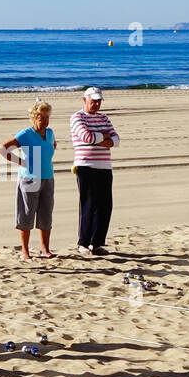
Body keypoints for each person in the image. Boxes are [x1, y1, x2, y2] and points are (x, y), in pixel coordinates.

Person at [0, 100, 56, 261]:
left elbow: (53, 146)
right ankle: (25, 252)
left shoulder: (50, 132)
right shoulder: (26, 134)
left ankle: (45, 249)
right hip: (29, 179)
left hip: (47, 177)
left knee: (46, 214)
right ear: (34, 118)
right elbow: (2, 149)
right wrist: (21, 162)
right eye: (41, 118)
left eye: (47, 117)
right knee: (26, 214)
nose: (45, 121)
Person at [70, 87, 120, 255]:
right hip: (86, 166)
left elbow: (116, 139)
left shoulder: (104, 118)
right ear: (85, 100)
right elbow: (87, 137)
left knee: (105, 206)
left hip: (104, 166)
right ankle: (83, 242)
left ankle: (97, 243)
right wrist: (103, 137)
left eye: (99, 101)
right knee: (88, 205)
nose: (96, 104)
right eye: (93, 101)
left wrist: (102, 138)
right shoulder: (77, 117)